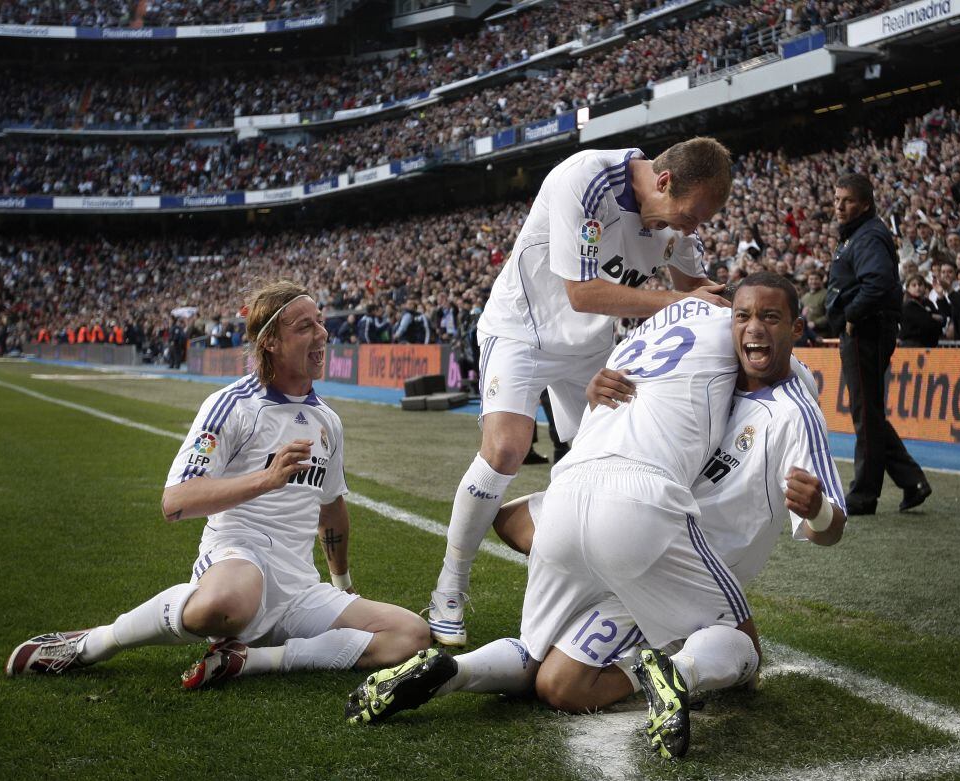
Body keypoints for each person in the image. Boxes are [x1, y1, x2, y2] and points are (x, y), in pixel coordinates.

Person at [346, 274, 846, 762]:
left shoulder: (791, 409)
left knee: (558, 684)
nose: (753, 328)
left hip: (610, 529)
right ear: (725, 322)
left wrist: (818, 507)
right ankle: (679, 671)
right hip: (657, 540)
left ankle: (455, 671)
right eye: (742, 316)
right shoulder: (708, 373)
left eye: (770, 318)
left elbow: (831, 527)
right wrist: (597, 388)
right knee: (746, 653)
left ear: (796, 330)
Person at [6, 281, 429, 685]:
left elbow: (331, 508)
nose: (321, 334)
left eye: (319, 322)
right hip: (239, 557)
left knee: (410, 636)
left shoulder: (328, 422)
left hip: (300, 586)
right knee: (226, 605)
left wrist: (342, 586)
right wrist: (265, 479)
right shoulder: (232, 406)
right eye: (304, 326)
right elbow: (176, 501)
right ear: (270, 342)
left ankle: (250, 661)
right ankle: (93, 643)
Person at [426, 138, 733, 647]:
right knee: (506, 448)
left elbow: (700, 291)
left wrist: (750, 313)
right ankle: (449, 586)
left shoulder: (677, 222)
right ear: (663, 182)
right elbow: (583, 293)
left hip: (592, 346)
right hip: (522, 329)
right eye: (688, 214)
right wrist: (679, 300)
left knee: (602, 462)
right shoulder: (587, 180)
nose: (689, 228)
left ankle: (568, 569)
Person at [826, 173, 930, 515]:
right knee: (868, 412)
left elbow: (878, 284)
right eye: (837, 199)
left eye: (847, 201)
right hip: (867, 329)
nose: (839, 206)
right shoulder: (860, 234)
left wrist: (852, 316)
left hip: (866, 330)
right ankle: (911, 480)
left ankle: (864, 495)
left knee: (866, 414)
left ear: (865, 204)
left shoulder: (868, 236)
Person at [899, 274, 944, 348]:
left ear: (925, 287)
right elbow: (925, 323)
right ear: (908, 288)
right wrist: (932, 316)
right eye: (914, 285)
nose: (917, 287)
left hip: (929, 346)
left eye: (920, 285)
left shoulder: (928, 302)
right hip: (911, 346)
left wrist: (940, 295)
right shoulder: (908, 305)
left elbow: (943, 319)